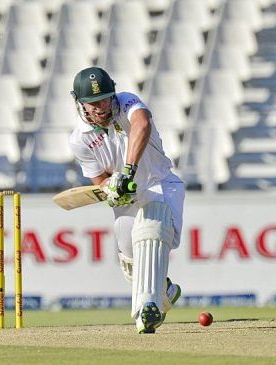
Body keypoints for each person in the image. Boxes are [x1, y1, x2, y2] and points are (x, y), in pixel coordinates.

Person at [69, 66, 185, 334]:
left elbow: (142, 124)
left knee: (152, 232)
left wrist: (127, 171)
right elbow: (99, 179)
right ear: (79, 104)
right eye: (92, 103)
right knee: (131, 261)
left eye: (104, 99)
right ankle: (163, 292)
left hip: (159, 184)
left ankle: (145, 312)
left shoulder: (127, 102)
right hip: (125, 199)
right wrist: (110, 186)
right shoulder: (79, 140)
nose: (101, 108)